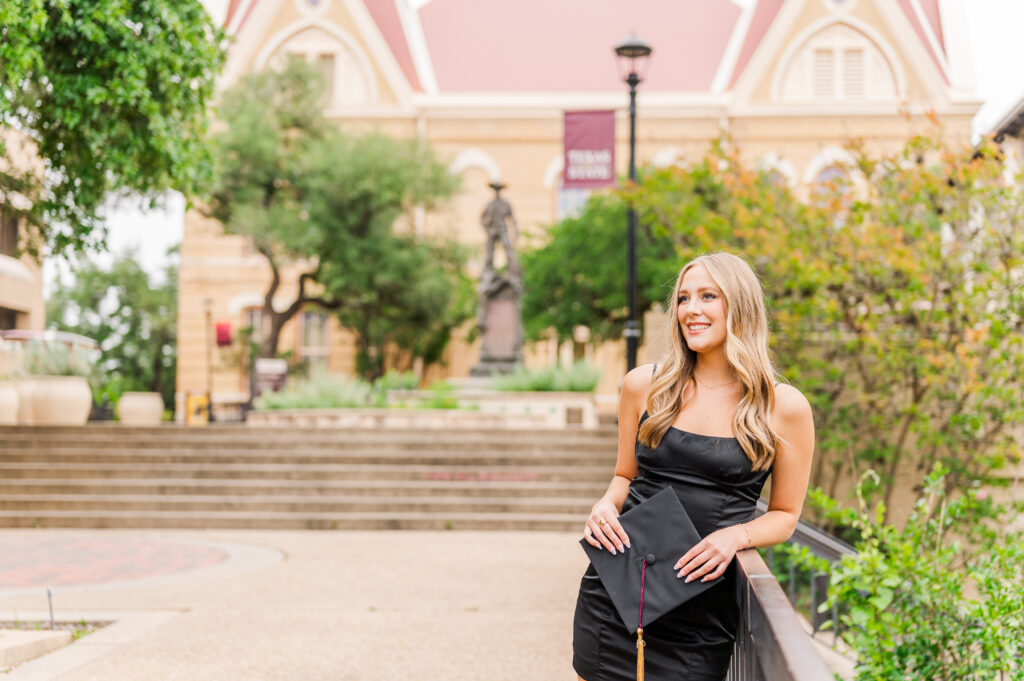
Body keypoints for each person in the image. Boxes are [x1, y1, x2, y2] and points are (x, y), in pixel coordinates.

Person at [572, 252, 815, 681]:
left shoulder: (783, 406)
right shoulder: (645, 385)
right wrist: (605, 506)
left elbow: (784, 516)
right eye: (683, 298)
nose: (691, 310)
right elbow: (625, 476)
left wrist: (734, 537)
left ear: (739, 306)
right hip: (616, 590)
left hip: (700, 612)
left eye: (708, 296)